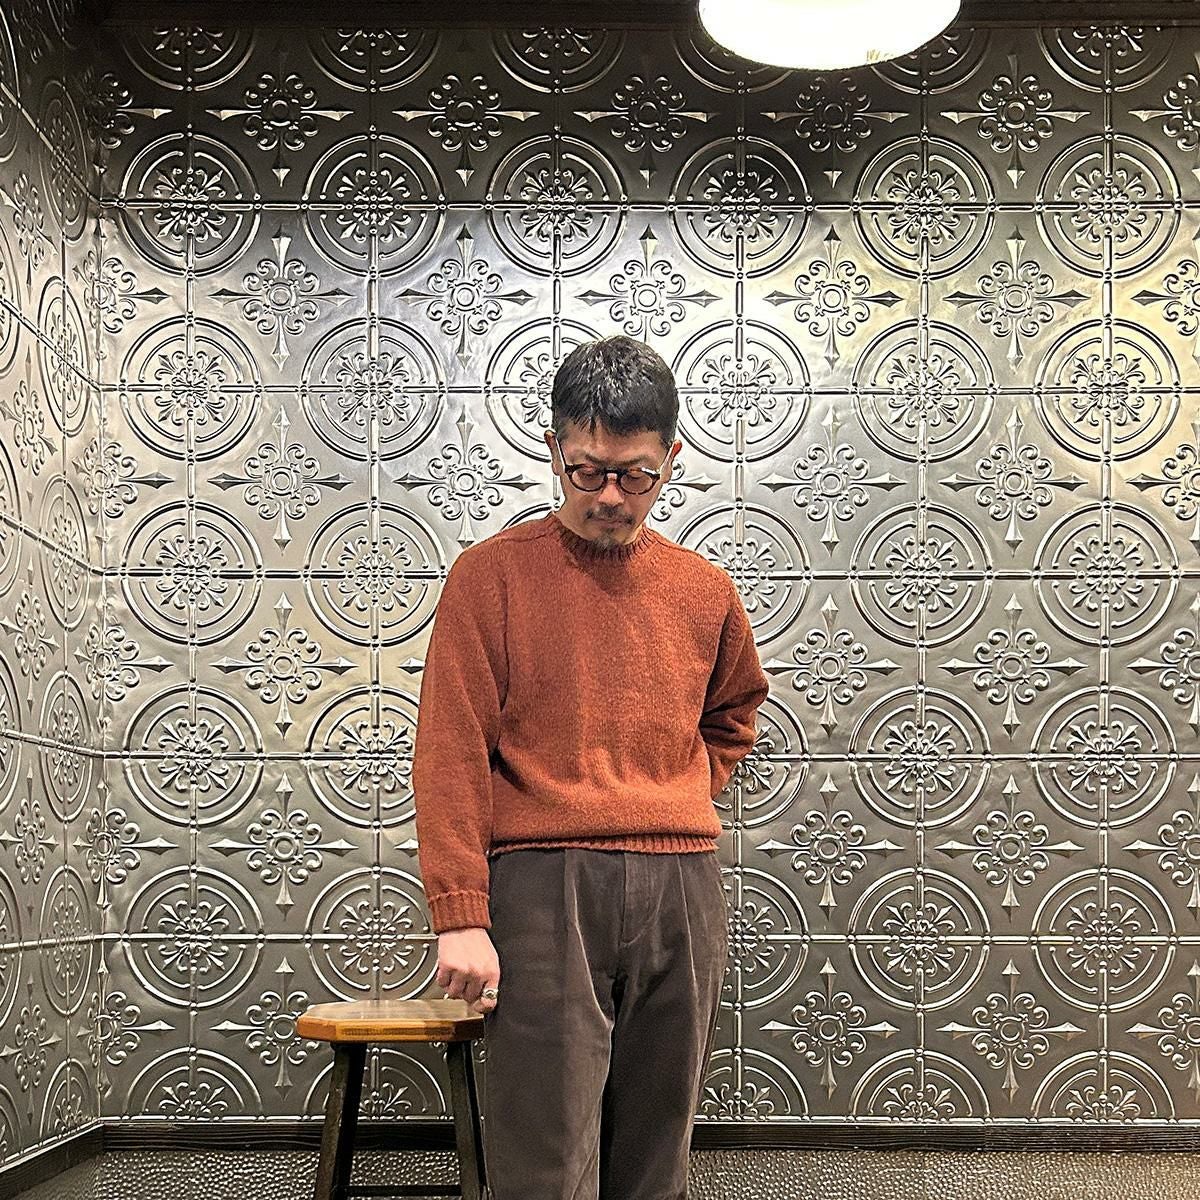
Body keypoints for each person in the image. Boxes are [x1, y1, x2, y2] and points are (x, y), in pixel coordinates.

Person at [412, 334, 770, 1200]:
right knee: (545, 1156)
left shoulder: (704, 589)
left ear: (672, 458)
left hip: (682, 885)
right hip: (543, 886)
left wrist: (676, 790)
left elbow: (734, 715)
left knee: (657, 1153)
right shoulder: (490, 578)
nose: (611, 496)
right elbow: (451, 747)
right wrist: (460, 914)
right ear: (553, 449)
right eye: (588, 471)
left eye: (636, 475)